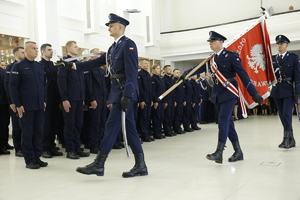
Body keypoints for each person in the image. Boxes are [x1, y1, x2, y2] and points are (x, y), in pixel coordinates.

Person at [59, 13, 148, 178]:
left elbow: (131, 73)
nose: (108, 28)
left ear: (120, 27)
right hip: (117, 93)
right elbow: (95, 62)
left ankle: (99, 164)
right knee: (131, 130)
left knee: (110, 127)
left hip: (124, 93)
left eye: (111, 25)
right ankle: (140, 165)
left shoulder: (128, 45)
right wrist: (71, 65)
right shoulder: (113, 48)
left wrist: (127, 95)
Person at [178, 31, 263, 164]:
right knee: (228, 123)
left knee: (222, 122)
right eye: (210, 42)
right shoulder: (211, 59)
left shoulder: (231, 56)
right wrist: (186, 74)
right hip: (217, 93)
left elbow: (243, 74)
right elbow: (199, 67)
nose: (210, 43)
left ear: (221, 42)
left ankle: (219, 152)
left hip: (229, 92)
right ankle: (238, 151)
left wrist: (253, 93)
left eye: (212, 41)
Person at [9, 41, 48, 169]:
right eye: (33, 48)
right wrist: (17, 104)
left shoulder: (38, 66)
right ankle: (30, 159)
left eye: (37, 48)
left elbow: (43, 85)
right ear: (26, 51)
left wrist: (43, 100)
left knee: (38, 132)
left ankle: (37, 157)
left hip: (38, 105)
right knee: (27, 133)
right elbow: (13, 87)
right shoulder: (18, 66)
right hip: (25, 106)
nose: (36, 50)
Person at [57, 41, 90, 159]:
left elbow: (82, 83)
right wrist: (64, 99)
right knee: (70, 124)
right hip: (69, 99)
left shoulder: (78, 64)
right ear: (68, 48)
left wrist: (83, 98)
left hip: (79, 99)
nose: (78, 48)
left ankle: (77, 147)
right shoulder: (64, 63)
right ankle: (70, 149)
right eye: (75, 47)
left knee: (78, 124)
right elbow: (61, 82)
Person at [270, 35, 300, 149]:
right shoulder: (273, 59)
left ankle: (286, 139)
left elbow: (298, 76)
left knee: (287, 114)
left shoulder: (293, 57)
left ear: (286, 45)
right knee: (282, 115)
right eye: (278, 43)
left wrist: (298, 92)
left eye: (281, 43)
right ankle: (291, 140)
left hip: (288, 90)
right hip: (277, 90)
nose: (279, 45)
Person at [39, 43, 64, 158]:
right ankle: (44, 148)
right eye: (49, 50)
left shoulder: (54, 66)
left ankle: (51, 146)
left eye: (52, 50)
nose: (51, 51)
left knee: (54, 125)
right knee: (46, 126)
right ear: (43, 51)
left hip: (56, 100)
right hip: (46, 100)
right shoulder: (39, 66)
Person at [85, 48, 108, 153]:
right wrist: (92, 99)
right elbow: (88, 85)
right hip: (95, 99)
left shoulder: (100, 68)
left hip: (103, 99)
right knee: (94, 123)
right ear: (93, 56)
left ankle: (100, 142)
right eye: (98, 54)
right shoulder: (90, 68)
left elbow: (103, 86)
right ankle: (93, 144)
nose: (100, 56)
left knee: (102, 122)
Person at [4, 46, 24, 156]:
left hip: (26, 101)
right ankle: (19, 148)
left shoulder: (26, 66)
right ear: (16, 54)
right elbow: (8, 86)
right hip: (15, 102)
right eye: (22, 52)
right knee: (17, 126)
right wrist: (11, 102)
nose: (24, 54)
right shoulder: (11, 67)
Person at [137, 59, 154, 142]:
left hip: (148, 99)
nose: (147, 65)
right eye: (145, 63)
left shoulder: (148, 74)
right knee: (142, 118)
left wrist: (151, 99)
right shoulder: (139, 74)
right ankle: (143, 135)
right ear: (141, 64)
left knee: (147, 117)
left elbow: (150, 89)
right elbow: (140, 89)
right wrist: (141, 100)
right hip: (143, 100)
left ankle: (147, 133)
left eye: (148, 64)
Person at [151, 64, 165, 139]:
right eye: (157, 68)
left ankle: (159, 131)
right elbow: (153, 91)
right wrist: (155, 100)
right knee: (156, 117)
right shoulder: (153, 78)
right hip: (156, 100)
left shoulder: (160, 79)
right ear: (153, 70)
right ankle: (156, 133)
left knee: (161, 117)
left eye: (159, 68)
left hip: (161, 100)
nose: (158, 70)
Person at [162, 65, 175, 136]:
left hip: (172, 100)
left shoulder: (171, 80)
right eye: (169, 69)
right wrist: (165, 101)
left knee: (171, 116)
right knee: (167, 116)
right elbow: (164, 91)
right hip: (167, 100)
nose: (170, 70)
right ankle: (167, 130)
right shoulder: (164, 79)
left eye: (171, 69)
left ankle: (170, 129)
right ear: (165, 70)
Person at [0, 61, 10, 155]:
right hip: (2, 101)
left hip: (4, 102)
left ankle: (4, 143)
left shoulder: (3, 72)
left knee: (4, 124)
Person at [172, 69, 185, 134]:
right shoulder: (174, 81)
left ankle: (179, 127)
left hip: (181, 100)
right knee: (176, 115)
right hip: (176, 101)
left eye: (179, 72)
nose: (178, 73)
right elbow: (174, 92)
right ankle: (176, 128)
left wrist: (183, 100)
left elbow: (182, 92)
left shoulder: (181, 81)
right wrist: (174, 100)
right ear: (173, 73)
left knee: (180, 114)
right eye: (177, 72)